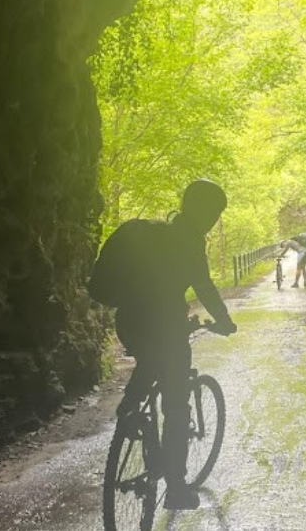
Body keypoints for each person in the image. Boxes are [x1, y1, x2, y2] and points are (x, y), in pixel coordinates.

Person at [111, 179, 237, 510]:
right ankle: (177, 489)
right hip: (165, 325)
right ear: (205, 211)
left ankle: (130, 407)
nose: (213, 220)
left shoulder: (155, 234)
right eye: (214, 213)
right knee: (177, 406)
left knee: (150, 360)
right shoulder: (189, 241)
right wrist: (223, 321)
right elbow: (205, 287)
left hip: (128, 321)